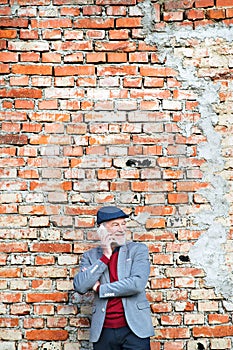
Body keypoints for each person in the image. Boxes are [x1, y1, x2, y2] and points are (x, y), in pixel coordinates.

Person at [73, 205, 154, 350]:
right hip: (104, 331)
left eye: (124, 224)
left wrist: (100, 288)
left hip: (135, 329)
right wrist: (105, 257)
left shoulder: (138, 250)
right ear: (102, 230)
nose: (122, 229)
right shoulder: (91, 256)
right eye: (115, 224)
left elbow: (136, 284)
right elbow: (80, 286)